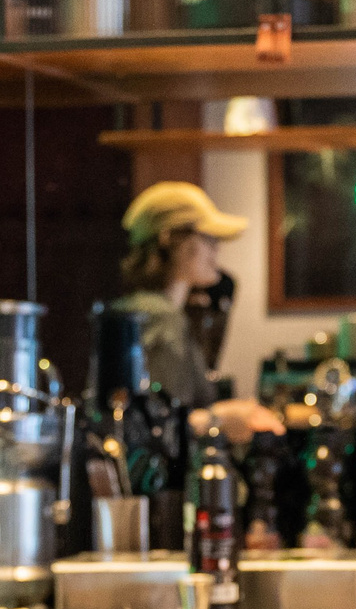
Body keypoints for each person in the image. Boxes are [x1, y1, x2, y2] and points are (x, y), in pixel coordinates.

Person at [112, 181, 282, 442]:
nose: (216, 249)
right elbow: (157, 426)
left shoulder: (144, 311)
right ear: (169, 239)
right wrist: (222, 419)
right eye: (208, 237)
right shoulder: (162, 318)